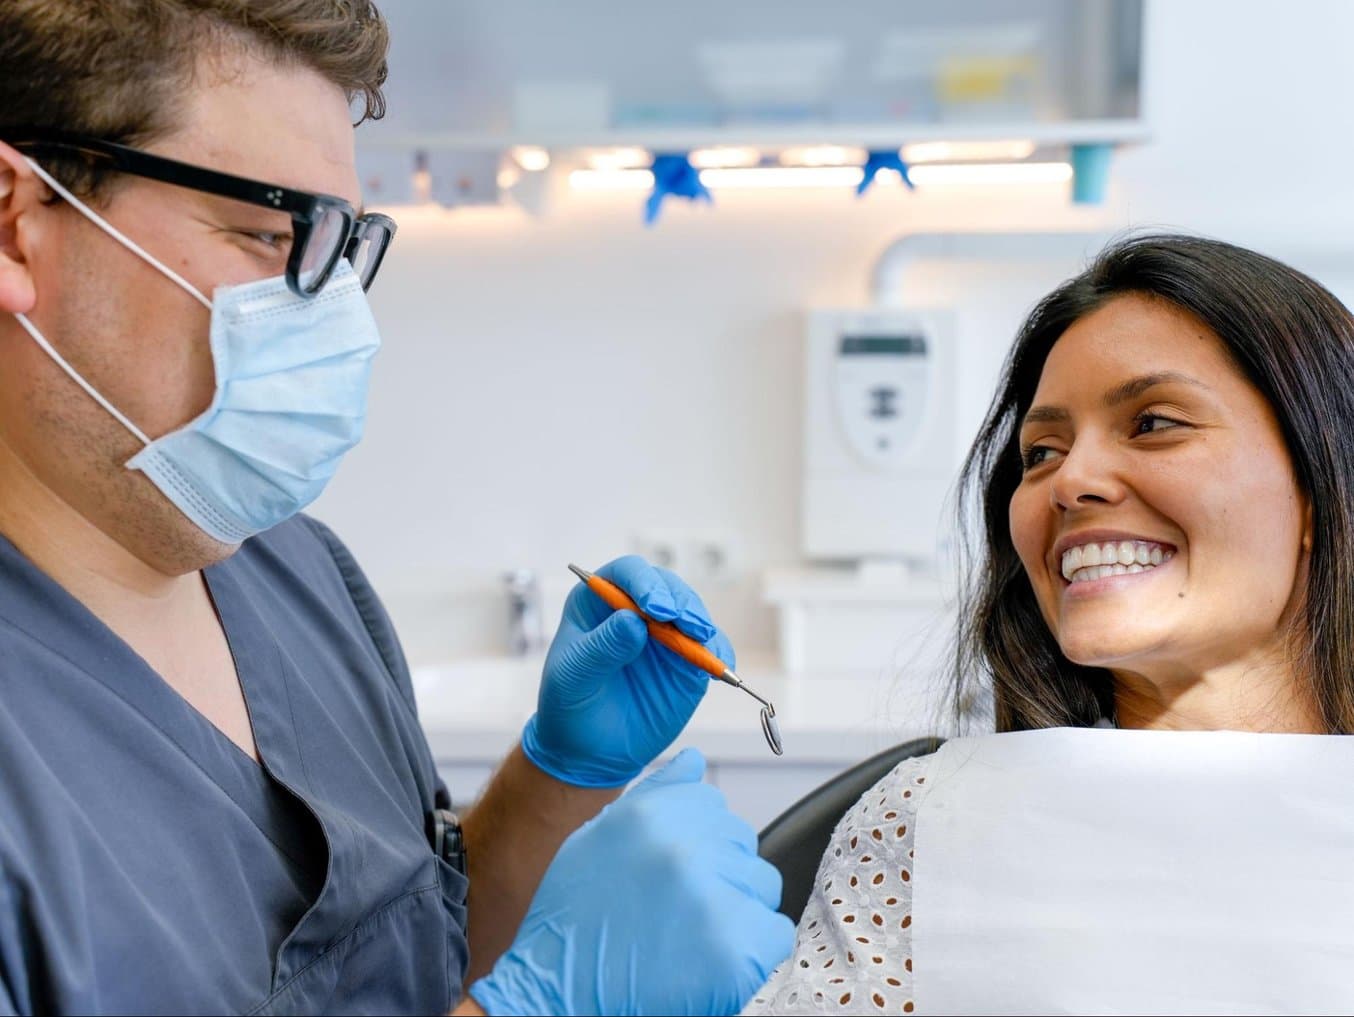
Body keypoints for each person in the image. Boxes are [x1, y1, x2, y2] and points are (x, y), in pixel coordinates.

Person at [0, 2, 792, 1014]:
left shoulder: (299, 576)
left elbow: (420, 959)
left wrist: (554, 783)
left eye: (340, 249)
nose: (333, 315)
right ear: (15, 223)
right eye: (268, 234)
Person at [743, 233, 1354, 1014]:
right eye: (1041, 450)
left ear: (1320, 486)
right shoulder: (923, 828)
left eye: (1155, 422)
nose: (1071, 481)